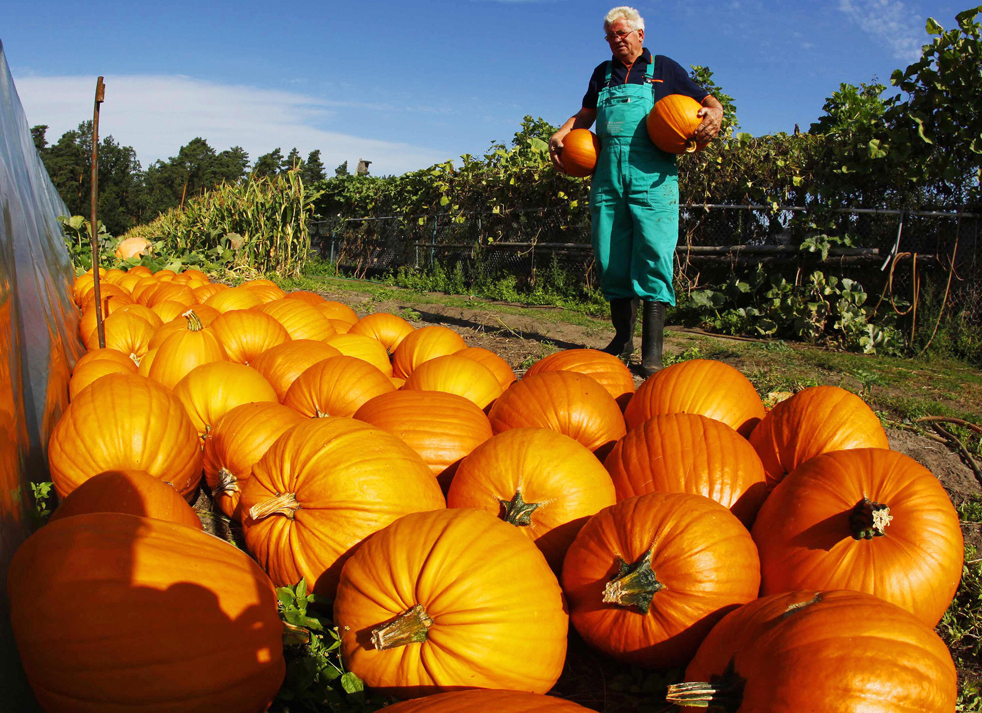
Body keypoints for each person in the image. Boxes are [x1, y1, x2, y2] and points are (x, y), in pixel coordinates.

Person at [549, 6, 723, 376]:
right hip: (608, 177)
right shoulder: (603, 72)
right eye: (611, 35)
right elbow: (586, 115)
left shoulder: (665, 69)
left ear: (641, 34)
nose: (617, 39)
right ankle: (622, 341)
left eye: (623, 33)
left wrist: (716, 112)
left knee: (654, 253)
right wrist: (564, 131)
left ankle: (653, 351)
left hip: (653, 177)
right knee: (610, 254)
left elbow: (707, 102)